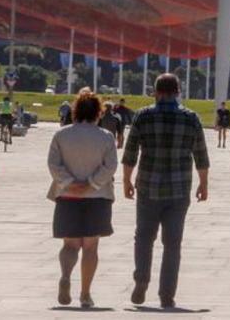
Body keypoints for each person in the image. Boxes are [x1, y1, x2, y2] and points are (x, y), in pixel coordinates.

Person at [122, 73, 210, 309]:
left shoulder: (143, 116)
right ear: (178, 91)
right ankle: (167, 294)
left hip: (148, 186)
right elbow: (201, 154)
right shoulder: (191, 118)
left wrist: (126, 181)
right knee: (172, 243)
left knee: (143, 237)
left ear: (155, 91)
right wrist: (204, 183)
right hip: (179, 189)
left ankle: (141, 280)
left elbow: (130, 152)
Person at [48, 90, 118, 309]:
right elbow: (111, 166)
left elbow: (53, 164)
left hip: (67, 195)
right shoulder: (106, 137)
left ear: (75, 111)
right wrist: (91, 184)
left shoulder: (61, 135)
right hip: (97, 197)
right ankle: (86, 294)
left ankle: (66, 276)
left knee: (69, 244)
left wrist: (70, 182)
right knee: (90, 246)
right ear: (99, 112)